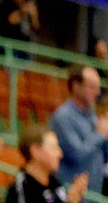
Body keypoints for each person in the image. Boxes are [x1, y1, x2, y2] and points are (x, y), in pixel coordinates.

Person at [46, 63, 108, 193]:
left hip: (95, 191)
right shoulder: (63, 117)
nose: (97, 93)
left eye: (98, 87)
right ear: (76, 86)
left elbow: (103, 153)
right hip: (73, 194)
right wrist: (100, 134)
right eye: (92, 87)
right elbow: (76, 154)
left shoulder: (92, 115)